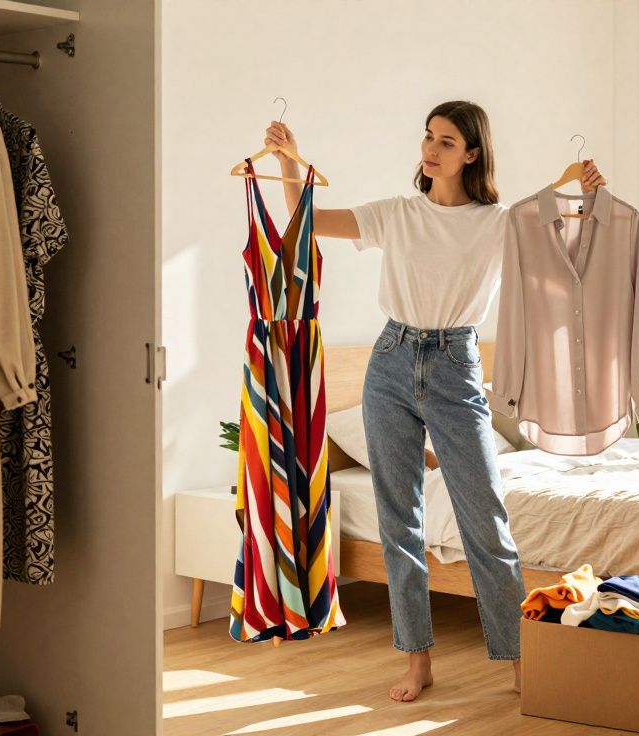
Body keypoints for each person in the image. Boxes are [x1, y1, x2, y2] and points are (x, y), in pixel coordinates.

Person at [262, 101, 606, 702]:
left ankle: (519, 660)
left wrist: (579, 184)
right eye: (428, 137)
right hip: (390, 361)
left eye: (447, 141)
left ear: (472, 153)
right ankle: (416, 661)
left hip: (455, 364)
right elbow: (303, 221)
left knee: (486, 521)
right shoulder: (397, 214)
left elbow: (555, 225)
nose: (431, 149)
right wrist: (292, 163)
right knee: (400, 521)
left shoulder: (497, 223)